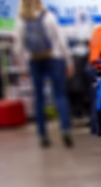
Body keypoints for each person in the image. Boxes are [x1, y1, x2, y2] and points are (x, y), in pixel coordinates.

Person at [14, 0, 74, 148]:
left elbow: (18, 47)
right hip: (54, 58)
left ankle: (42, 135)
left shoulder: (22, 20)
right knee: (59, 95)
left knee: (39, 98)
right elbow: (61, 40)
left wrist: (23, 67)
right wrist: (69, 61)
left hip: (34, 60)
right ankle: (65, 129)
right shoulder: (48, 17)